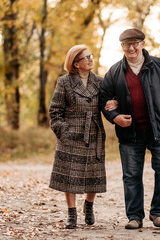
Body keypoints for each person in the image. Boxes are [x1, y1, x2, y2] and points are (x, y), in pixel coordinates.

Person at [99, 28, 160, 229]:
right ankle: (134, 217)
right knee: (131, 175)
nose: (131, 48)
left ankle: (157, 213)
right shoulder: (114, 72)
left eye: (135, 43)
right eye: (127, 44)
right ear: (122, 47)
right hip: (130, 132)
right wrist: (115, 117)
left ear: (143, 44)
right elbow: (104, 99)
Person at [49, 44, 117, 229]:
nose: (90, 59)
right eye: (85, 58)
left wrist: (114, 102)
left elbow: (108, 103)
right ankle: (72, 214)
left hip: (94, 132)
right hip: (71, 133)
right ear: (76, 64)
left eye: (90, 56)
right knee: (70, 175)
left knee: (94, 174)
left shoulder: (100, 82)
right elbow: (55, 111)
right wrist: (64, 132)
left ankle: (89, 206)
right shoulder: (64, 82)